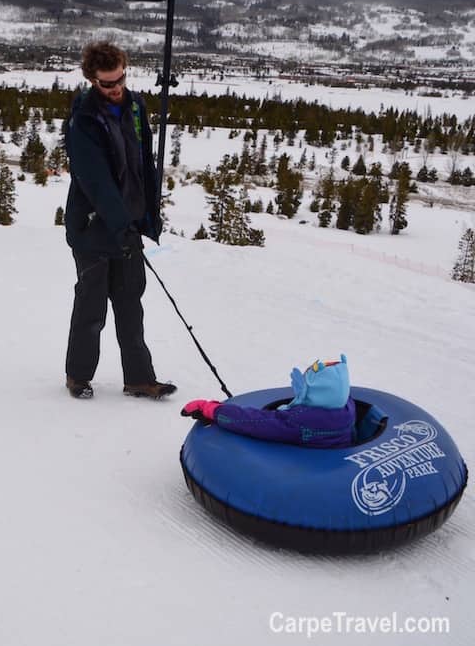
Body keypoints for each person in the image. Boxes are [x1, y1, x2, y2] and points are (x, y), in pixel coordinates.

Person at [63, 41, 176, 400]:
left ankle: (139, 378)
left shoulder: (136, 107)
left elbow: (144, 163)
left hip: (128, 224)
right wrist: (118, 225)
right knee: (91, 306)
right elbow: (95, 180)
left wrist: (147, 215)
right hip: (94, 226)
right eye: (107, 84)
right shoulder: (83, 118)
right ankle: (78, 376)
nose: (115, 89)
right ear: (92, 81)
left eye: (120, 80)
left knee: (131, 304)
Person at [181, 354, 355, 448]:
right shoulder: (347, 407)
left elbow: (252, 421)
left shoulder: (299, 421)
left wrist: (211, 409)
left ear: (315, 392)